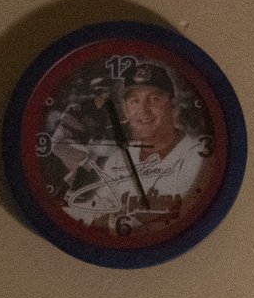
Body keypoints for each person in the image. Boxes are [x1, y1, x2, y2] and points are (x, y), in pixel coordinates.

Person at [56, 62, 211, 227]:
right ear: (126, 109)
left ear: (173, 106)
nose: (143, 109)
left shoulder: (197, 157)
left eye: (154, 99)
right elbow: (98, 216)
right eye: (134, 101)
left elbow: (189, 218)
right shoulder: (117, 160)